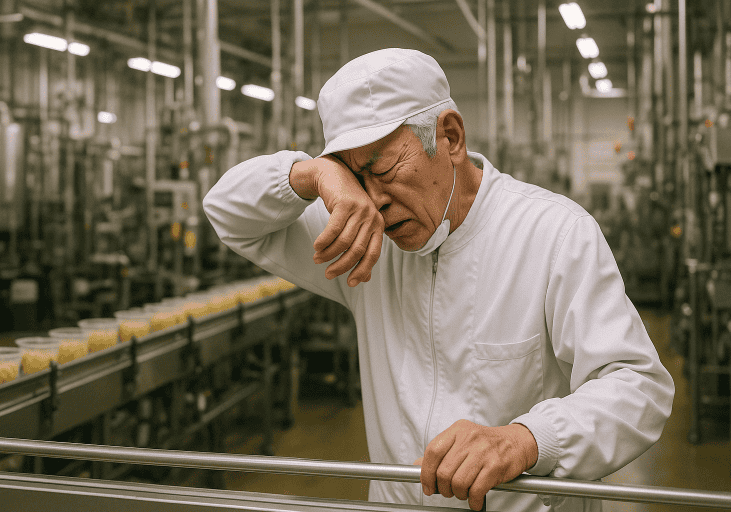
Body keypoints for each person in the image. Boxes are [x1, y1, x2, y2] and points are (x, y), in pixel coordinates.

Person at [203, 48, 674, 512]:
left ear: (450, 137)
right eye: (354, 176)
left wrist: (529, 439)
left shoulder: (552, 234)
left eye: (383, 168)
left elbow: (638, 387)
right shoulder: (364, 238)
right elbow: (226, 212)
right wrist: (313, 174)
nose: (374, 199)